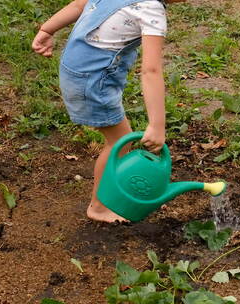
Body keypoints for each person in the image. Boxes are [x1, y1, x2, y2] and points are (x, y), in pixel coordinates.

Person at [32, 0, 178, 223]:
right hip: (92, 81)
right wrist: (157, 125)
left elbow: (78, 4)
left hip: (77, 69)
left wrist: (46, 29)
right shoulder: (151, 9)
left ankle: (108, 195)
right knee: (120, 141)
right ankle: (99, 207)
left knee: (120, 137)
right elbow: (150, 70)